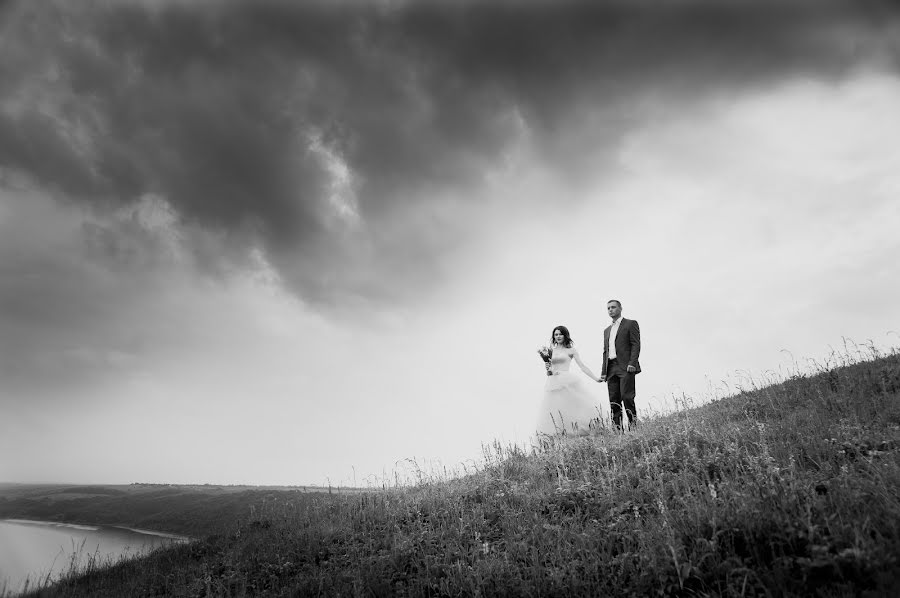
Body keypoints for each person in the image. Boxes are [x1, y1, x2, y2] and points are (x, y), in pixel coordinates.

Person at [535, 325, 602, 437]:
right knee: (556, 411)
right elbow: (549, 372)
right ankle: (562, 437)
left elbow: (582, 366)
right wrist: (548, 369)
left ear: (565, 335)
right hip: (553, 383)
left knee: (572, 408)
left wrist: (595, 378)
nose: (558, 336)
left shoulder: (571, 350)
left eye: (560, 334)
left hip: (566, 381)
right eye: (556, 334)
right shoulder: (550, 351)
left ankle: (581, 432)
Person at [599, 300, 641, 430]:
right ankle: (618, 432)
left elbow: (636, 344)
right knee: (614, 401)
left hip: (625, 366)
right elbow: (605, 351)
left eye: (613, 307)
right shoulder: (607, 330)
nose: (610, 310)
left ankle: (634, 428)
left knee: (627, 397)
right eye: (608, 308)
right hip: (611, 368)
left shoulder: (630, 324)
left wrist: (632, 363)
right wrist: (603, 372)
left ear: (620, 308)